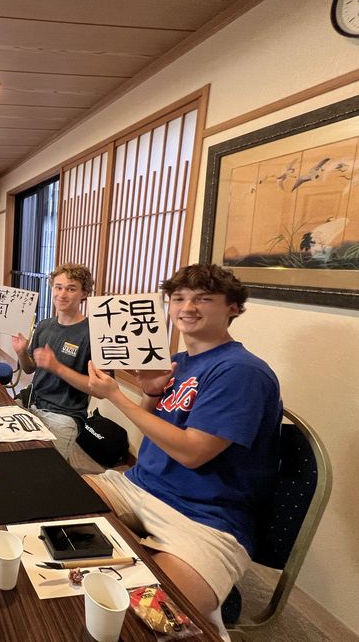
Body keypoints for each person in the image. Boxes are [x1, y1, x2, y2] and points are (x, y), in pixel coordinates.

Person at [84, 264, 281, 638]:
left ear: (233, 308)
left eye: (203, 298)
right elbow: (147, 439)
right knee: (47, 512)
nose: (187, 307)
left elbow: (193, 453)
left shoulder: (241, 371)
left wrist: (115, 396)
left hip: (204, 519)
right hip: (138, 486)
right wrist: (151, 395)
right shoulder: (180, 361)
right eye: (179, 298)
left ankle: (209, 617)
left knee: (148, 619)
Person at [11, 263, 93, 468]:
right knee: (15, 457)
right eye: (58, 287)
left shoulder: (91, 332)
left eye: (71, 288)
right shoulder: (45, 326)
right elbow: (30, 369)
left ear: (84, 293)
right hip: (33, 403)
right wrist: (21, 352)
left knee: (50, 470)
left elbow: (98, 389)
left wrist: (57, 367)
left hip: (65, 415)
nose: (62, 294)